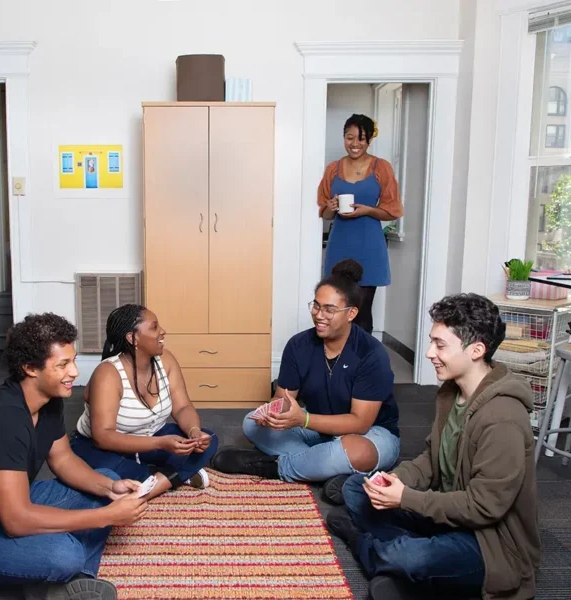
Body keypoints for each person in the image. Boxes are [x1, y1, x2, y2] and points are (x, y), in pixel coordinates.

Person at [0, 313, 148, 600]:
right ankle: (59, 578)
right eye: (63, 364)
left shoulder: (48, 400)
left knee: (108, 481)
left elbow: (63, 460)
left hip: (1, 507)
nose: (74, 372)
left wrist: (109, 490)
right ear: (29, 368)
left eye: (73, 360)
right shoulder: (5, 420)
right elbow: (16, 521)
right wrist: (104, 517)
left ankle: (62, 586)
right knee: (65, 553)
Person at [325, 294, 541, 600]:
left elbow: (484, 507)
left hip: (491, 543)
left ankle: (369, 546)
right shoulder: (451, 393)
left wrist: (406, 499)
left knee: (410, 557)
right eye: (431, 342)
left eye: (440, 345)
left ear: (476, 350)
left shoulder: (502, 418)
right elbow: (432, 458)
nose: (428, 353)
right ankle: (411, 561)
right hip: (447, 511)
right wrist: (398, 480)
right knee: (356, 489)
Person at [211, 259, 400, 502]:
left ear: (351, 313)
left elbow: (360, 423)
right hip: (317, 428)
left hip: (371, 433)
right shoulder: (299, 345)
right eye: (316, 306)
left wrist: (305, 418)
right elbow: (283, 398)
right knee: (252, 423)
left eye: (329, 309)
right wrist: (276, 412)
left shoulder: (371, 353)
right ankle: (327, 469)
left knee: (357, 451)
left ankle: (273, 467)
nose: (319, 316)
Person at [71, 304, 219, 499]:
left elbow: (182, 407)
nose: (163, 331)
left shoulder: (165, 360)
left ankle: (150, 485)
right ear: (133, 338)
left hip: (150, 437)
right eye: (154, 327)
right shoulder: (108, 374)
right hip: (99, 446)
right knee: (114, 476)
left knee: (209, 439)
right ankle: (172, 476)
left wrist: (194, 432)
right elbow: (103, 437)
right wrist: (160, 444)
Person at [318, 114, 404, 334]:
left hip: (369, 245)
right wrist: (332, 205)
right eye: (349, 137)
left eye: (361, 139)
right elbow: (326, 214)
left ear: (369, 141)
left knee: (363, 309)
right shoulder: (333, 169)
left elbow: (392, 211)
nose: (355, 144)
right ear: (344, 137)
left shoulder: (381, 167)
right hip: (340, 245)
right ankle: (338, 362)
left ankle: (362, 364)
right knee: (336, 308)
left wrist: (368, 210)